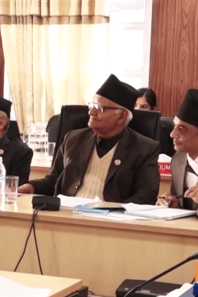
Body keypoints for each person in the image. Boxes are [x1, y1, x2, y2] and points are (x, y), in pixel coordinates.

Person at [19, 74, 160, 204]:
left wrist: (115, 211)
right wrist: (32, 186)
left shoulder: (144, 148)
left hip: (113, 219)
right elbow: (54, 181)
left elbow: (146, 195)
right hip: (68, 214)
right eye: (91, 106)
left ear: (121, 116)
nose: (91, 112)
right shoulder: (73, 139)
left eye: (100, 108)